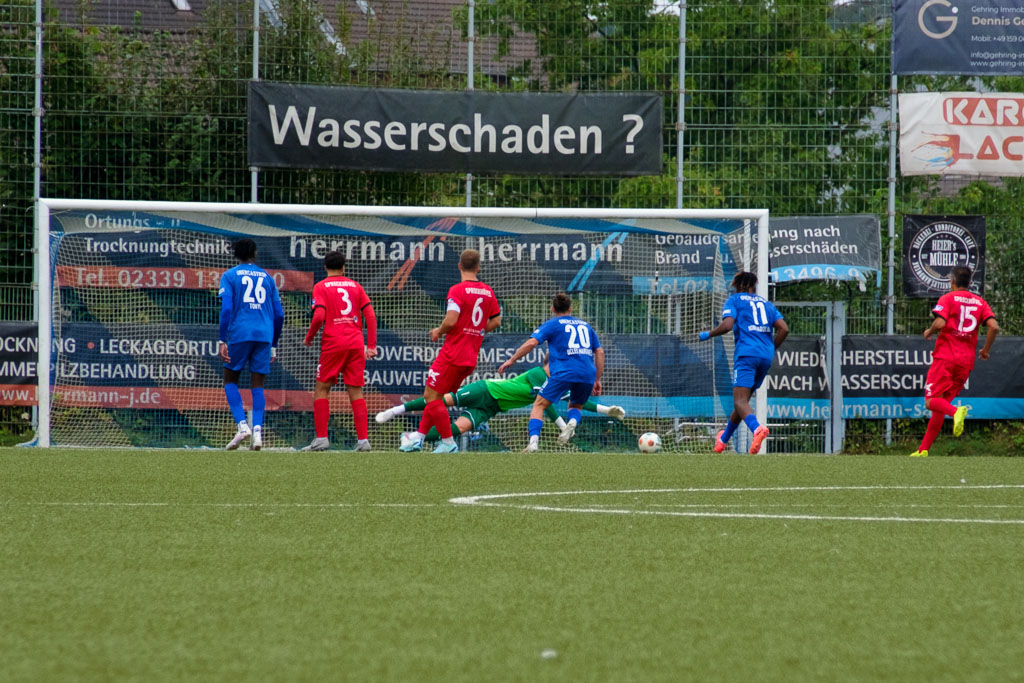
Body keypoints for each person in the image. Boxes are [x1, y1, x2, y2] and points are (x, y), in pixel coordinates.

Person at [375, 361, 626, 445]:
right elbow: (546, 405)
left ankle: (413, 438)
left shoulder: (557, 384)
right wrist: (563, 425)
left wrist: (608, 410)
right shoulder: (540, 374)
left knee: (458, 428)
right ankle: (395, 410)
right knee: (442, 401)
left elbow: (579, 401)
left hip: (492, 407)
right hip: (485, 390)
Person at [400, 248, 501, 453]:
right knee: (436, 397)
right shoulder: (488, 291)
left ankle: (448, 442)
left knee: (430, 395)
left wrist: (439, 330)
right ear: (478, 267)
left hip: (453, 353)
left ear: (459, 266)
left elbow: (452, 319)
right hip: (470, 356)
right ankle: (419, 438)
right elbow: (496, 321)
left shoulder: (457, 290)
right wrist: (476, 331)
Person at [498, 292, 604, 453]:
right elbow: (600, 353)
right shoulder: (586, 326)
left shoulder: (553, 324)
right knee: (576, 405)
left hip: (564, 372)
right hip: (587, 373)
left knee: (539, 405)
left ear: (552, 309)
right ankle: (573, 422)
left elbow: (532, 342)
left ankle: (533, 443)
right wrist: (597, 379)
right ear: (571, 308)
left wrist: (512, 360)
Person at [911, 265, 998, 457]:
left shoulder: (948, 298)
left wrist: (929, 331)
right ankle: (923, 450)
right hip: (965, 362)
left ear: (952, 281)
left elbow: (940, 322)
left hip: (946, 358)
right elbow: (994, 327)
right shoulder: (980, 302)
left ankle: (956, 412)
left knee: (931, 401)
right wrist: (985, 350)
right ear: (970, 283)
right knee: (939, 404)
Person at [698, 271, 787, 454]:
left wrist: (709, 334)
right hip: (765, 357)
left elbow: (727, 325)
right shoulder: (767, 304)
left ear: (737, 285)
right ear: (754, 286)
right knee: (743, 401)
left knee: (739, 400)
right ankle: (722, 440)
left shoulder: (735, 300)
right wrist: (770, 348)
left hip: (747, 354)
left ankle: (757, 429)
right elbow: (784, 329)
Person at [301, 251, 378, 452]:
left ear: (325, 267)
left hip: (334, 343)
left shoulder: (320, 286)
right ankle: (363, 441)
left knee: (322, 389)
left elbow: (319, 316)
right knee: (356, 391)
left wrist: (309, 337)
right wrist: (371, 346)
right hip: (355, 343)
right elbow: (370, 314)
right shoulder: (355, 286)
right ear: (344, 267)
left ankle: (321, 439)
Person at [218, 238, 285, 451]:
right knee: (258, 384)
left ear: (236, 254)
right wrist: (273, 343)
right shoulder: (267, 277)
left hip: (240, 333)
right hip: (264, 335)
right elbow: (279, 315)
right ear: (254, 254)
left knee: (230, 380)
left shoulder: (229, 276)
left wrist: (222, 339)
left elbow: (227, 310)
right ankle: (257, 432)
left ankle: (242, 426)